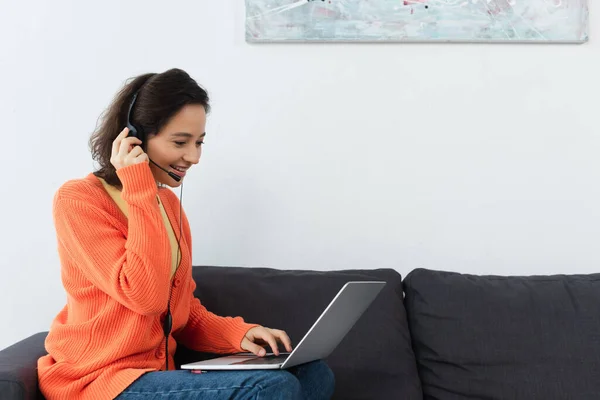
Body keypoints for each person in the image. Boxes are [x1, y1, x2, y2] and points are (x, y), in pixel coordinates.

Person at [38, 68, 335, 400]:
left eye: (199, 142)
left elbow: (177, 311)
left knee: (311, 373)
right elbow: (145, 296)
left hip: (153, 377)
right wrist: (139, 187)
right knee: (271, 388)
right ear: (133, 137)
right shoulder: (79, 200)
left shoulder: (167, 204)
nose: (193, 157)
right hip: (97, 381)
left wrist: (240, 334)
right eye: (180, 142)